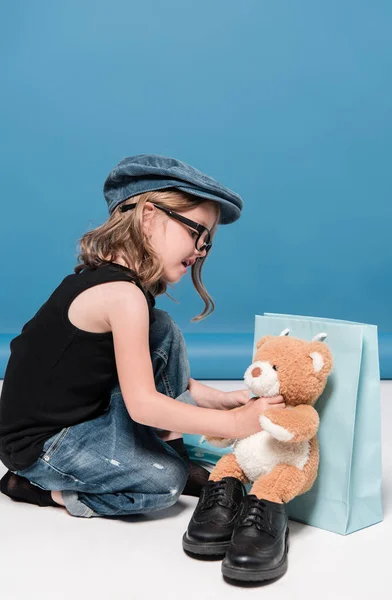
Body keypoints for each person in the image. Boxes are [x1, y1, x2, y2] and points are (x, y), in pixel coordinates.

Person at [0, 154, 285, 518]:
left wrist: (220, 400)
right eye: (196, 232)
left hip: (87, 414)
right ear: (149, 215)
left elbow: (143, 371)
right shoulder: (122, 296)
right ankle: (33, 488)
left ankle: (172, 447)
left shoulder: (130, 293)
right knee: (164, 482)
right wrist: (233, 424)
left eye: (207, 243)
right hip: (44, 444)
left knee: (162, 327)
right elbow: (142, 403)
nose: (200, 251)